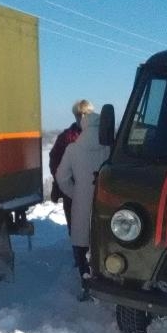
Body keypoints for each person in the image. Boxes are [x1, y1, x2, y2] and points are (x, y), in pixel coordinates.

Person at [56, 112, 110, 301]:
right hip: (107, 202)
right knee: (105, 242)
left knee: (81, 242)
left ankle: (86, 283)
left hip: (81, 201)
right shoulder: (109, 147)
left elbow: (61, 177)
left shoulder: (73, 149)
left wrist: (75, 192)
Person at [49, 100, 94, 233]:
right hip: (73, 191)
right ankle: (78, 253)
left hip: (95, 190)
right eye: (79, 115)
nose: (83, 118)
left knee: (95, 228)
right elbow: (54, 160)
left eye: (86, 114)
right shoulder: (65, 138)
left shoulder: (101, 135)